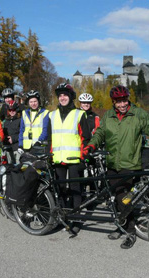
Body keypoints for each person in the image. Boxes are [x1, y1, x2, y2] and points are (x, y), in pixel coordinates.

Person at [84, 85, 149, 249]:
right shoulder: (109, 115)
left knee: (125, 199)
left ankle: (130, 233)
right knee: (115, 198)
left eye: (124, 100)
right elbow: (100, 133)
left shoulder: (138, 114)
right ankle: (120, 226)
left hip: (130, 164)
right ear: (113, 102)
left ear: (128, 99)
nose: (122, 104)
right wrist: (91, 146)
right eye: (118, 101)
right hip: (112, 163)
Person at [46, 83, 91, 234]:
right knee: (59, 190)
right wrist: (48, 155)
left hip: (74, 159)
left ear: (71, 97)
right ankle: (63, 217)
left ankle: (76, 219)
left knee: (75, 191)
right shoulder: (52, 115)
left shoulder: (79, 114)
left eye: (65, 95)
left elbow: (86, 138)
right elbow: (50, 139)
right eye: (60, 95)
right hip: (58, 159)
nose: (62, 97)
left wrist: (83, 157)